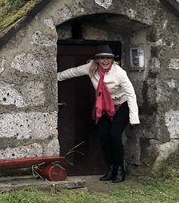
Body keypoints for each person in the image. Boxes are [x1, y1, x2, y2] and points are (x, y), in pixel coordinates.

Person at [57, 44, 139, 183]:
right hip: (103, 106)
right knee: (103, 136)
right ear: (97, 60)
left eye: (108, 58)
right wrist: (54, 78)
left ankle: (120, 170)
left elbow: (131, 94)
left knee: (114, 135)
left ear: (112, 60)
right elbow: (73, 72)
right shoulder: (91, 68)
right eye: (102, 58)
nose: (105, 60)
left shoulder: (119, 73)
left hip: (120, 105)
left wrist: (134, 117)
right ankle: (111, 168)